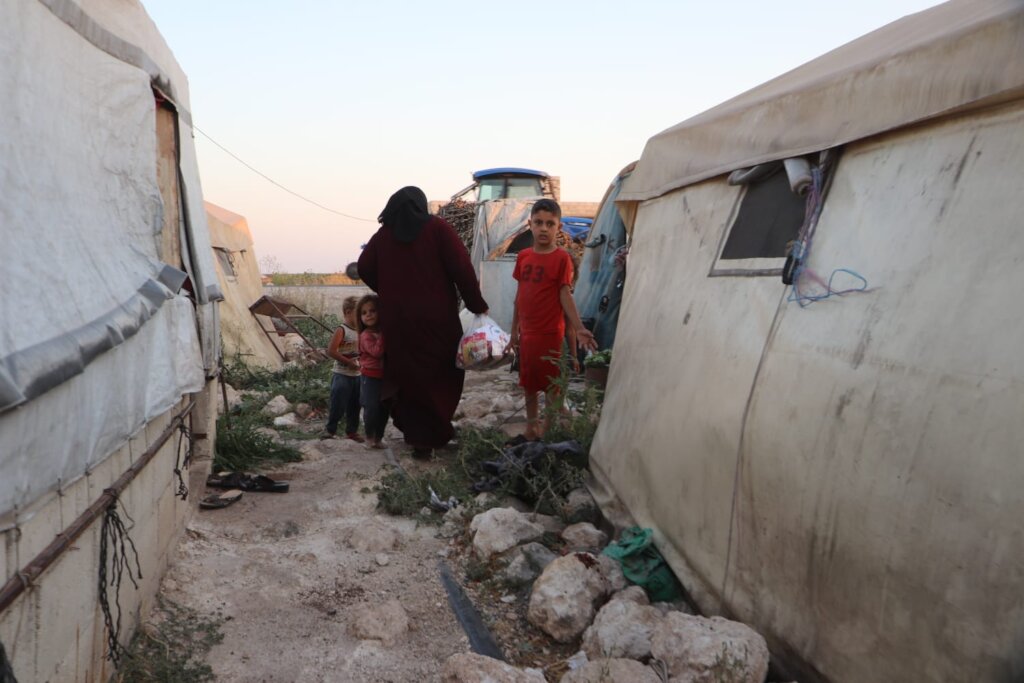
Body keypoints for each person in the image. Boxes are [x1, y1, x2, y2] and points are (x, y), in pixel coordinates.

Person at [357, 186, 489, 459]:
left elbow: (364, 267)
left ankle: (418, 437)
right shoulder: (438, 229)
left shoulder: (383, 235)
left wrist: (389, 289)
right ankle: (433, 432)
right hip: (437, 321)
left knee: (408, 378)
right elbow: (462, 269)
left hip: (398, 323)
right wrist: (477, 305)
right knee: (441, 375)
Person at [507, 199, 597, 440]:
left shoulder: (561, 259)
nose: (544, 228)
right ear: (530, 225)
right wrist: (514, 331)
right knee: (528, 383)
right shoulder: (523, 256)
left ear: (559, 227)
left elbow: (565, 294)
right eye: (538, 223)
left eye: (550, 223)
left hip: (550, 334)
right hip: (528, 334)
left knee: (552, 385)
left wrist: (579, 328)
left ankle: (547, 429)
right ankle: (531, 427)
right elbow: (520, 296)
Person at [320, 296, 363, 442]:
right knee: (338, 404)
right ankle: (330, 430)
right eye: (359, 313)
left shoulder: (361, 331)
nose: (361, 317)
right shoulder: (342, 330)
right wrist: (348, 362)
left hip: (357, 375)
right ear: (348, 312)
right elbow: (331, 351)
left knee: (355, 405)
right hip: (342, 375)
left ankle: (352, 432)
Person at [356, 294, 389, 449]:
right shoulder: (366, 336)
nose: (368, 315)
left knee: (384, 408)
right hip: (370, 377)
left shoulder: (381, 332)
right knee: (371, 407)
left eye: (372, 311)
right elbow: (377, 352)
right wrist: (384, 334)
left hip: (385, 376)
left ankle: (378, 437)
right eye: (364, 313)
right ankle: (369, 436)